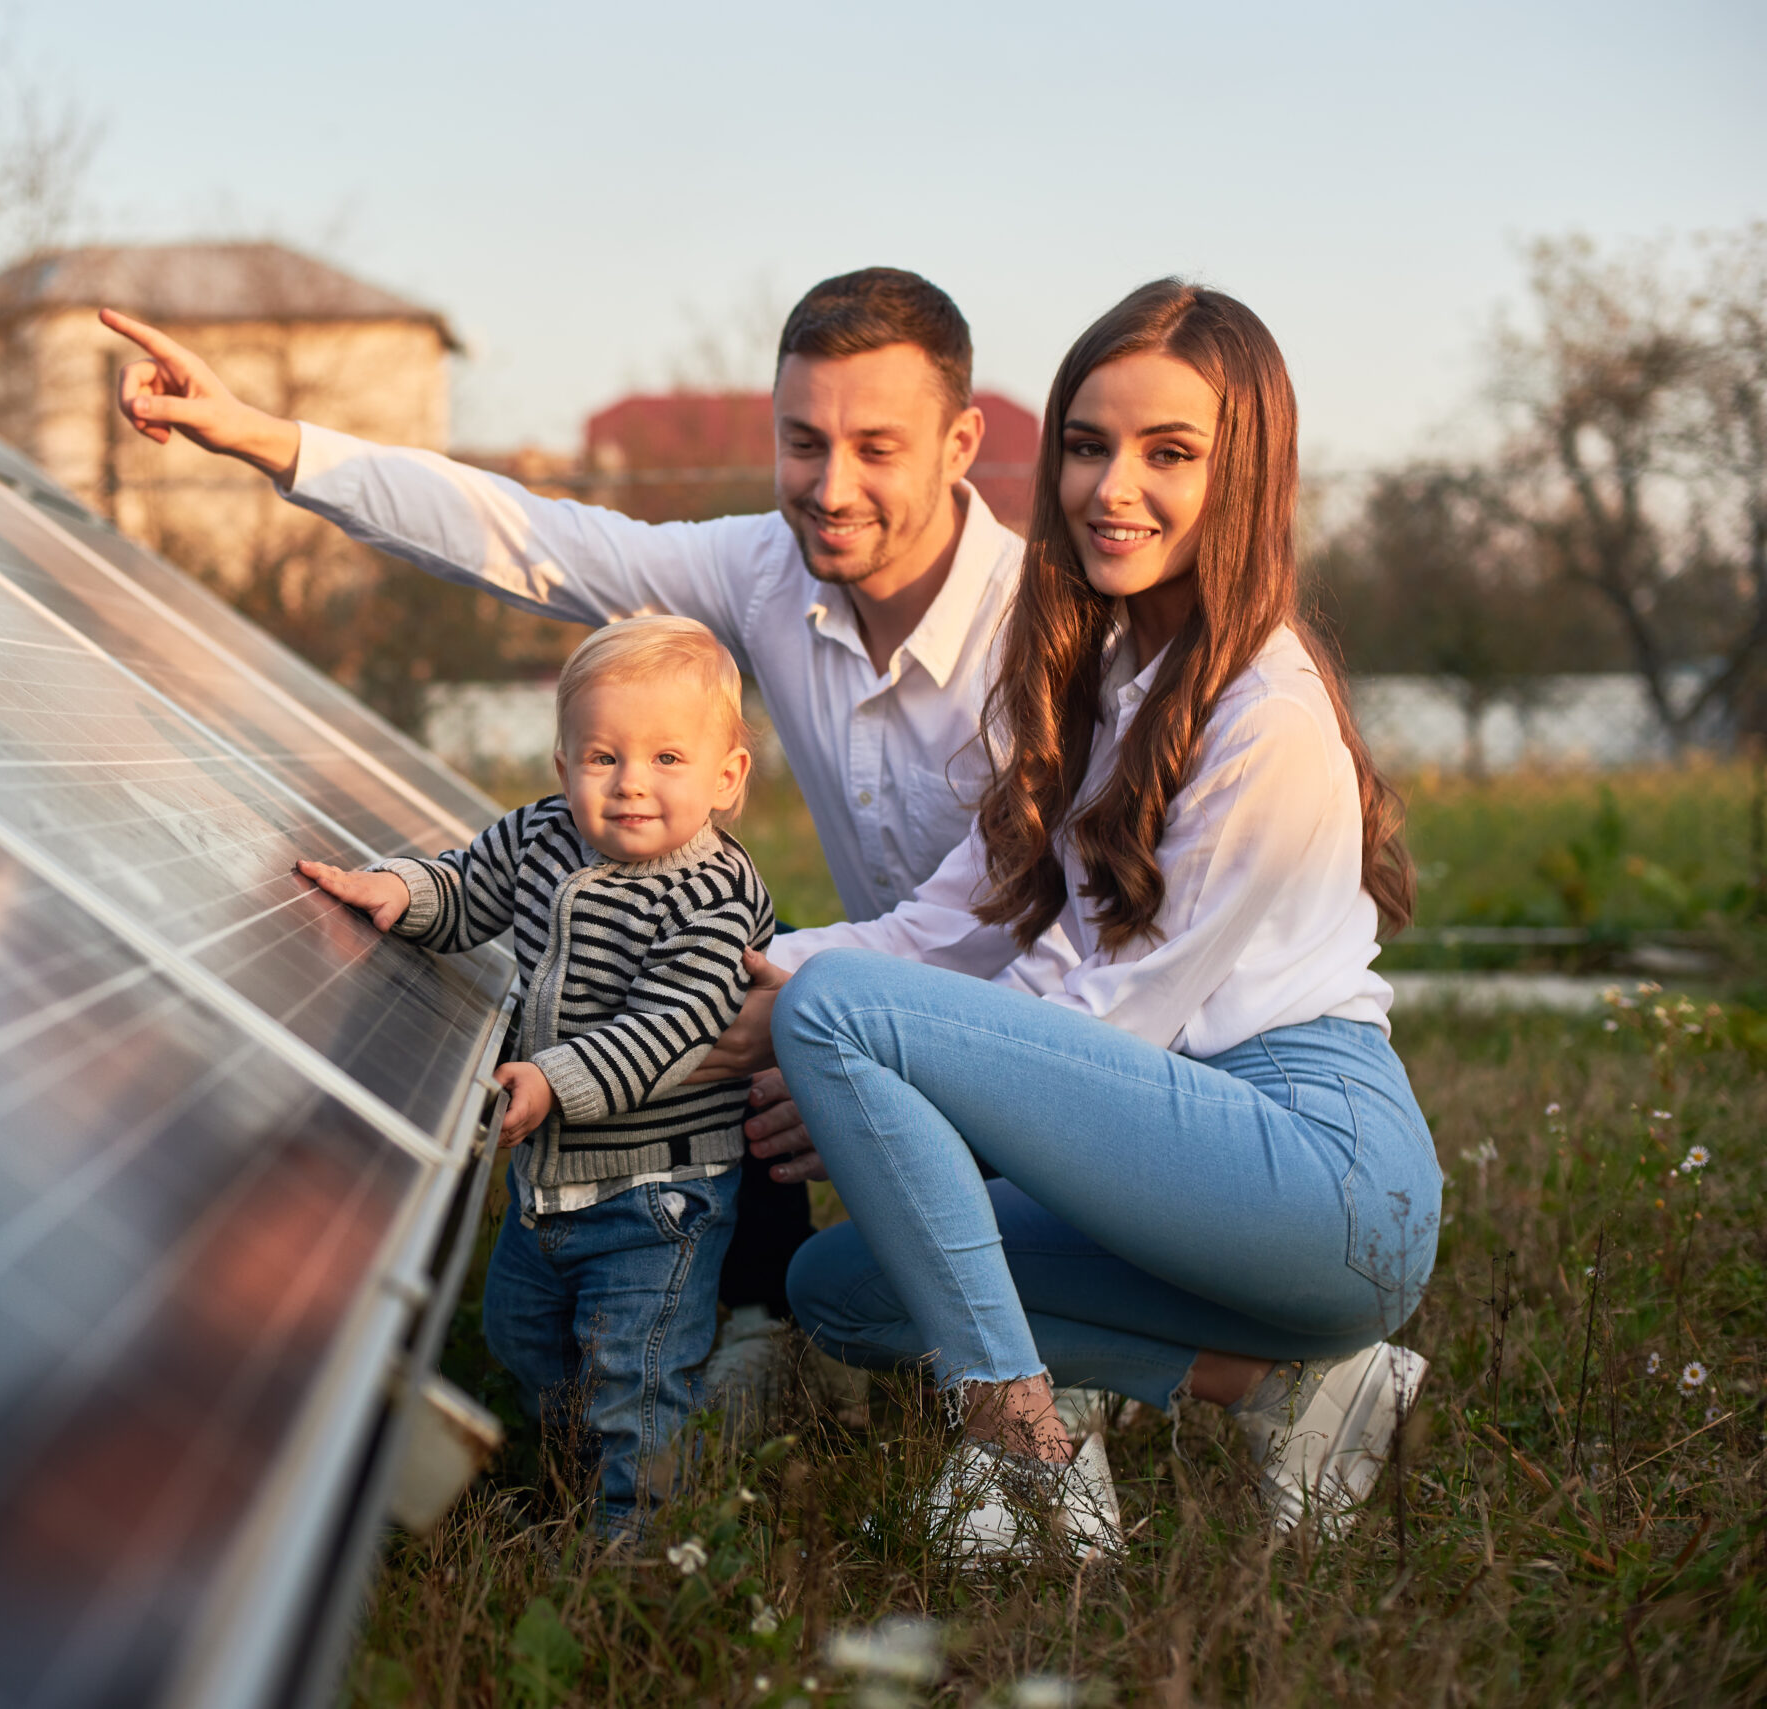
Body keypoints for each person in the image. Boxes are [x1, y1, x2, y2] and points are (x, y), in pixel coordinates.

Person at [103, 269, 1022, 1398]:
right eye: (803, 442)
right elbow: (531, 538)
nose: (832, 485)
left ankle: (1049, 1335)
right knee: (718, 943)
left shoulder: (1043, 630)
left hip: (1064, 1025)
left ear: (960, 441)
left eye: (876, 446)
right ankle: (758, 1310)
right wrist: (265, 439)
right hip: (873, 979)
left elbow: (1048, 932)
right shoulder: (766, 571)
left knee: (773, 978)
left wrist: (827, 1017)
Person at [749, 280, 1441, 1562]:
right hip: (1176, 1148)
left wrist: (841, 1047)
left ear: (1244, 474)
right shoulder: (1104, 675)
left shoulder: (1265, 718)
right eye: (1086, 444)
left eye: (1167, 453)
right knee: (839, 1290)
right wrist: (747, 978)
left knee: (842, 1023)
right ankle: (1300, 1392)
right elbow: (949, 921)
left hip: (1317, 1174)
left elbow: (1111, 1020)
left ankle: (1025, 1459)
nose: (1110, 487)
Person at [301, 617, 776, 1529]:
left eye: (668, 758)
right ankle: (575, 1466)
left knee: (633, 1371)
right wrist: (402, 891)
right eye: (604, 756)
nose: (632, 782)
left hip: (658, 1196)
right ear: (562, 764)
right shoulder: (544, 835)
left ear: (727, 776)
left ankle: (632, 1538)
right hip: (547, 1184)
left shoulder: (713, 897)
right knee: (521, 1333)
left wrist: (554, 1078)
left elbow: (671, 1025)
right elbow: (469, 886)